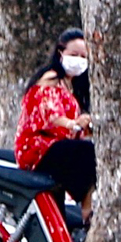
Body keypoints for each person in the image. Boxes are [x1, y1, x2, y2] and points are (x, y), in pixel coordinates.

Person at [15, 28, 96, 220]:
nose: (79, 60)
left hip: (59, 148)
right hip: (38, 148)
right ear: (61, 53)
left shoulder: (75, 86)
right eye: (74, 55)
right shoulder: (50, 79)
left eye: (83, 56)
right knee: (87, 152)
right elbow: (50, 113)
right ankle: (87, 209)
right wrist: (73, 123)